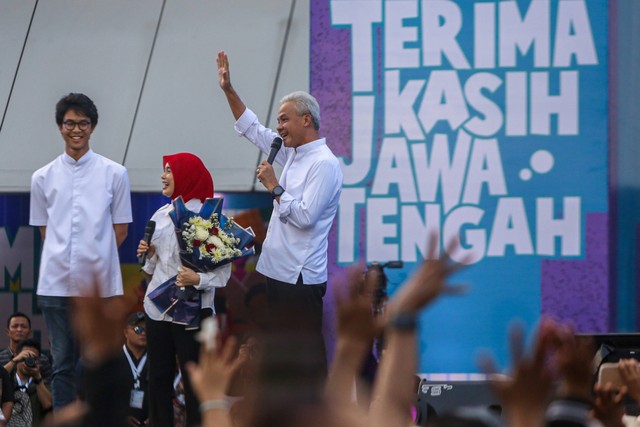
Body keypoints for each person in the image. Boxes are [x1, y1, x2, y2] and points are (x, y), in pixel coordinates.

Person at [217, 51, 343, 379]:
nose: (279, 126)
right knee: (280, 356)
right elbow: (252, 129)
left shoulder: (324, 163)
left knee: (306, 357)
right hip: (276, 272)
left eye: (285, 119)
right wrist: (229, 89)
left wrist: (274, 186)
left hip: (300, 280)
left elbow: (305, 218)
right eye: (278, 120)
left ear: (306, 120)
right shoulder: (293, 153)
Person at [29, 93, 132, 410]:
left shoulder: (115, 173)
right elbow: (45, 231)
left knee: (100, 360)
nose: (76, 129)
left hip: (99, 286)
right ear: (60, 127)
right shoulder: (41, 177)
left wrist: (95, 263)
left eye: (83, 123)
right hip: (55, 283)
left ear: (93, 126)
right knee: (61, 363)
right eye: (70, 123)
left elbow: (121, 229)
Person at [137, 152, 231, 427]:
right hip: (157, 309)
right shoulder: (161, 214)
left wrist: (198, 280)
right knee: (158, 378)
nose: (163, 176)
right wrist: (149, 253)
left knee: (194, 380)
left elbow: (223, 274)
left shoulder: (208, 217)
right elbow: (150, 270)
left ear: (187, 174)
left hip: (193, 312)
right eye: (163, 170)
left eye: (169, 170)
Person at [7, 339, 52, 427]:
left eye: (34, 359)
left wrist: (38, 378)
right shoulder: (6, 382)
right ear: (17, 357)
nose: (28, 362)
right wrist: (13, 361)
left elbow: (49, 406)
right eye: (24, 358)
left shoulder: (43, 385)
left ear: (38, 361)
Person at [0, 313, 51, 382]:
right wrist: (14, 361)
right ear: (7, 332)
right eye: (15, 326)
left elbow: (51, 389)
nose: (19, 330)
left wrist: (37, 376)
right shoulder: (0, 358)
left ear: (30, 332)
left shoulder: (41, 359)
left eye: (24, 327)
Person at [119, 312, 148, 427]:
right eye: (138, 329)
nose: (144, 334)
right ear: (126, 332)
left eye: (147, 330)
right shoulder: (115, 359)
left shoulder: (156, 359)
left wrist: (156, 415)